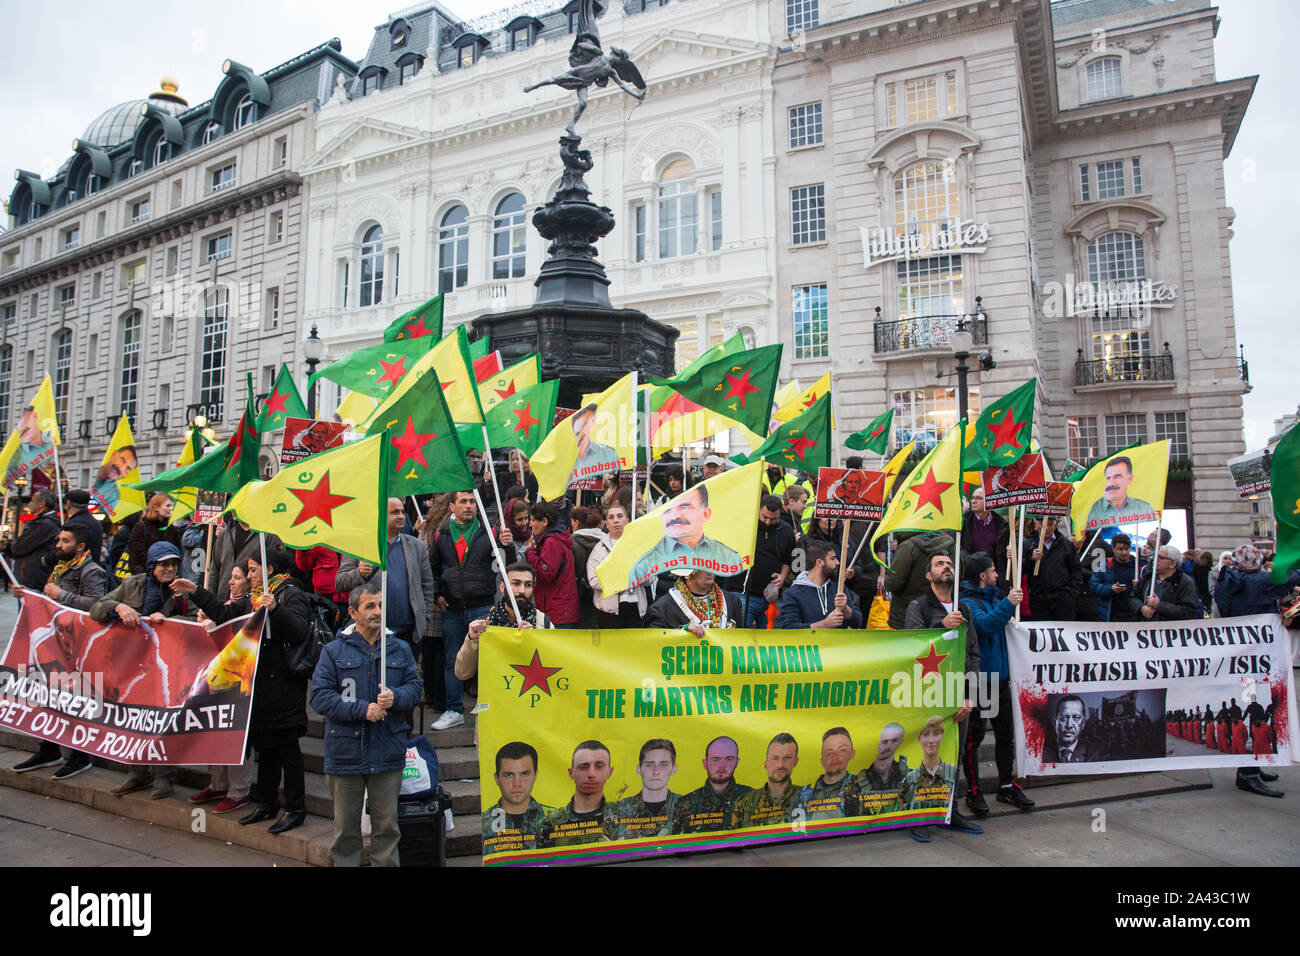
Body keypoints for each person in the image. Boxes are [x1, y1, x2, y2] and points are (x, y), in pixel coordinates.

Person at [186, 548, 313, 833]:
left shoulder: (291, 594)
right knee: (266, 749)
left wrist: (275, 610)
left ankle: (295, 807)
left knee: (287, 751)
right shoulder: (251, 600)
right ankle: (266, 802)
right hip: (258, 687)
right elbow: (223, 613)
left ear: (268, 571)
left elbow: (299, 633)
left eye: (253, 569)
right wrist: (194, 591)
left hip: (284, 687)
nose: (249, 574)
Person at [310, 581, 422, 865]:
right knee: (345, 830)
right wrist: (363, 710)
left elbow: (415, 689)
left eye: (381, 605)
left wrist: (395, 697)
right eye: (370, 606)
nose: (378, 611)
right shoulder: (334, 651)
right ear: (352, 611)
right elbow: (320, 697)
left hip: (388, 750)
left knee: (387, 828)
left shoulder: (400, 649)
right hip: (345, 752)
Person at [90, 542, 197, 798]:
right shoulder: (132, 584)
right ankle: (138, 775)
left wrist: (171, 622)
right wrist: (119, 607)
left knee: (163, 722)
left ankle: (164, 778)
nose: (170, 569)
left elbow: (200, 619)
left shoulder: (183, 589)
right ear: (152, 565)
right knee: (133, 720)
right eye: (164, 564)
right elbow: (96, 609)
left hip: (166, 669)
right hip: (132, 667)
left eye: (173, 563)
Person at [11, 523, 109, 778]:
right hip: (56, 645)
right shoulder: (61, 567)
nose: (58, 545)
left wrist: (61, 594)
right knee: (50, 698)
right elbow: (49, 601)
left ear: (81, 546)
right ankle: (49, 748)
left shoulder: (91, 571)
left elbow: (96, 606)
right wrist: (27, 594)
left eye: (64, 541)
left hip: (78, 648)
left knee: (76, 701)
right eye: (59, 540)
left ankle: (79, 756)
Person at [900, 551, 981, 839]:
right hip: (926, 694)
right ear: (928, 575)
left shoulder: (965, 609)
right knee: (923, 754)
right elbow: (912, 647)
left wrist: (969, 695)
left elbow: (973, 654)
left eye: (949, 563)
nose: (946, 567)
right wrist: (941, 627)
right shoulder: (918, 607)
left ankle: (950, 810)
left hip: (957, 693)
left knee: (953, 755)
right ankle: (917, 815)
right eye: (939, 564)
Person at [1214, 544, 1300, 797]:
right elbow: (1295, 576)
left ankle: (1252, 765)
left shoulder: (1227, 580)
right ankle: (1248, 773)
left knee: (1250, 709)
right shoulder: (1260, 582)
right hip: (1259, 658)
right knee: (1258, 711)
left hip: (1241, 657)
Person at [957, 552, 1033, 814]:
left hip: (1000, 679)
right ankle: (974, 791)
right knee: (974, 738)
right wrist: (1007, 605)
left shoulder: (994, 599)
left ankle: (1006, 785)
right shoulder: (967, 603)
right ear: (982, 575)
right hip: (980, 681)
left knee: (1005, 736)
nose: (997, 575)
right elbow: (984, 626)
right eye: (993, 571)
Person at [188, 560, 255, 814]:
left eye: (238, 577)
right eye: (233, 577)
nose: (231, 581)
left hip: (237, 682)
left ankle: (239, 790)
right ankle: (217, 783)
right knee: (213, 731)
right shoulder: (225, 605)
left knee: (233, 735)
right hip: (213, 680)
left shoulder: (249, 606)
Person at [428, 489, 498, 731]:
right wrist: (437, 594)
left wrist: (507, 546)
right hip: (453, 609)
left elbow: (503, 564)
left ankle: (487, 709)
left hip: (482, 606)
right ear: (452, 507)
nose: (469, 506)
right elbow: (433, 568)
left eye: (472, 501)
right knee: (452, 661)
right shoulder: (442, 535)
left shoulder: (489, 532)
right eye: (464, 501)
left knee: (487, 661)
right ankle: (453, 710)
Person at [336, 498, 435, 651]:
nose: (401, 516)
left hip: (408, 634)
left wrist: (424, 619)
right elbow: (340, 582)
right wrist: (359, 573)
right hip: (370, 632)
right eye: (395, 512)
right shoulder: (361, 545)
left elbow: (427, 586)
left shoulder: (416, 546)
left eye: (403, 512)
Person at [628, 486, 742, 585]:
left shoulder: (730, 557)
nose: (676, 516)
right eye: (668, 510)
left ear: (706, 514)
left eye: (685, 508)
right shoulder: (644, 563)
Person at [722, 495, 795, 629]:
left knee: (771, 643)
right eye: (764, 517)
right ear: (758, 510)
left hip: (771, 597)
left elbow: (787, 559)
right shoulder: (746, 526)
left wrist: (783, 577)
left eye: (773, 519)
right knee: (742, 640)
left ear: (780, 513)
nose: (767, 522)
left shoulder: (787, 531)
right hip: (742, 594)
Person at [536, 741, 618, 847]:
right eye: (584, 767)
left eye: (599, 766)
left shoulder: (624, 818)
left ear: (610, 772)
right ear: (571, 773)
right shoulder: (549, 825)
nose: (591, 774)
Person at [482, 742, 554, 855]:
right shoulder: (482, 823)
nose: (517, 783)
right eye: (509, 775)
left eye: (524, 774)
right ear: (496, 778)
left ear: (535, 775)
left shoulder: (556, 819)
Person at [671, 736, 752, 833]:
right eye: (715, 759)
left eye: (729, 759)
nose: (722, 765)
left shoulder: (753, 799)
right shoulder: (684, 803)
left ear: (737, 762)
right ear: (705, 763)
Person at [586, 503, 648, 627]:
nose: (616, 520)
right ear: (606, 523)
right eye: (611, 517)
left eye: (620, 516)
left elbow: (650, 578)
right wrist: (625, 577)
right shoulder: (599, 549)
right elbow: (594, 581)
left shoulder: (639, 546)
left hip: (636, 609)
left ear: (627, 520)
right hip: (609, 612)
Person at [776, 539, 862, 629]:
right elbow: (789, 627)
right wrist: (824, 624)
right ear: (819, 562)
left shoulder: (839, 588)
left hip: (838, 643)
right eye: (833, 559)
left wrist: (846, 609)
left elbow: (858, 622)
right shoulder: (792, 593)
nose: (837, 563)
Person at [884, 530, 956, 630]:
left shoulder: (907, 547)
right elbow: (959, 577)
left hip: (906, 616)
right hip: (944, 613)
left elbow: (893, 583)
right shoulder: (951, 545)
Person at [903, 717, 962, 838]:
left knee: (958, 751)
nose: (931, 740)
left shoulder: (950, 772)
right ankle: (916, 817)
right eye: (926, 735)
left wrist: (969, 698)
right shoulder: (911, 777)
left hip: (954, 704)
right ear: (919, 739)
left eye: (936, 734)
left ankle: (950, 812)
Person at [524, 500, 579, 627]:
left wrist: (530, 552)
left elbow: (546, 573)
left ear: (544, 521)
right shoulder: (554, 539)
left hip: (557, 612)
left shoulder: (552, 542)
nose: (530, 524)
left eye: (533, 520)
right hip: (560, 609)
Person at [612, 739, 681, 839]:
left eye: (664, 764)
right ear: (638, 769)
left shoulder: (687, 806)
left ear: (674, 769)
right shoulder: (618, 810)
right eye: (649, 765)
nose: (656, 771)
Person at [733, 733, 803, 828]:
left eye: (787, 758)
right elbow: (734, 840)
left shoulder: (807, 799)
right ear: (766, 764)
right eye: (775, 758)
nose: (780, 765)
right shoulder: (745, 803)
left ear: (796, 761)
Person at [206, 515, 279, 603]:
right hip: (222, 602)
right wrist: (209, 601)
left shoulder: (267, 536)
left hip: (251, 604)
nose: (234, 511)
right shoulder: (225, 534)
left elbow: (275, 572)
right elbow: (214, 570)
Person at [645, 568, 744, 633]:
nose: (709, 572)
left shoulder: (732, 601)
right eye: (701, 568)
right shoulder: (663, 608)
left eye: (711, 565)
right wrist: (682, 631)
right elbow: (654, 644)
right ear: (688, 575)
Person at [1024, 516, 1081, 620]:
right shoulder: (1028, 545)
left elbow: (1076, 570)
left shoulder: (1066, 545)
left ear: (1055, 525)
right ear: (1036, 524)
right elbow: (1021, 570)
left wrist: (1071, 593)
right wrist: (1031, 559)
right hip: (1039, 601)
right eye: (1042, 524)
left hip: (1062, 601)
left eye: (1050, 524)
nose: (1046, 528)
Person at [799, 727, 861, 820]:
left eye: (842, 750)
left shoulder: (862, 789)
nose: (835, 757)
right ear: (821, 760)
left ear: (852, 754)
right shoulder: (804, 796)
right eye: (829, 753)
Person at [1132, 544, 1201, 622]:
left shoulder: (1185, 582)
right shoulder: (1148, 578)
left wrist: (1159, 605)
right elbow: (1133, 597)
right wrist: (1141, 608)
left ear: (1172, 564)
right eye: (1156, 557)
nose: (1155, 560)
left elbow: (1188, 611)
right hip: (1146, 630)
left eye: (1160, 558)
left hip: (1171, 631)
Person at [853, 723, 911, 816]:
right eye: (884, 742)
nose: (888, 746)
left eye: (894, 741)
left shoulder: (910, 777)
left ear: (901, 742)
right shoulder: (855, 782)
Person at [6, 491, 61, 589]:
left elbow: (19, 548)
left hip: (33, 578)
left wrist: (11, 544)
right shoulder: (44, 522)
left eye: (32, 500)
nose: (29, 504)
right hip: (33, 576)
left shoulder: (44, 524)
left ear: (42, 504)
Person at [1084, 455, 1156, 527]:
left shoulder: (1144, 509)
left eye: (1117, 477)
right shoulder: (1093, 509)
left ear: (1130, 478)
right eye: (1108, 478)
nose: (1111, 483)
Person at [1089, 532, 1142, 622]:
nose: (1124, 552)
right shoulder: (1104, 564)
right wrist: (1110, 589)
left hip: (1133, 615)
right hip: (1111, 615)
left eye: (1126, 549)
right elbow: (1093, 585)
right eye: (1120, 549)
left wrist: (1139, 586)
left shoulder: (1139, 566)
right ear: (1113, 549)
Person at [127, 494, 181, 574]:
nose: (171, 508)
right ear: (156, 507)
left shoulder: (171, 528)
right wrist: (155, 567)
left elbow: (177, 550)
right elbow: (136, 553)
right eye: (168, 505)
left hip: (167, 575)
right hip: (145, 575)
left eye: (172, 506)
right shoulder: (141, 527)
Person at [568, 405, 620, 481]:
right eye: (577, 433)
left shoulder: (607, 452)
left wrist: (607, 475)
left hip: (597, 489)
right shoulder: (568, 455)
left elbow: (613, 475)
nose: (581, 436)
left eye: (583, 429)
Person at [1042, 695, 1098, 763]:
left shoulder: (1093, 755)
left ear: (1083, 723)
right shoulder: (1040, 752)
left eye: (1076, 718)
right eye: (1064, 717)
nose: (1069, 725)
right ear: (1055, 722)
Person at [961, 487, 1010, 564]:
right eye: (973, 498)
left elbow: (1003, 553)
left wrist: (1010, 552)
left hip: (993, 573)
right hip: (970, 572)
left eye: (978, 498)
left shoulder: (1002, 525)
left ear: (989, 501)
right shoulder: (963, 521)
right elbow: (958, 547)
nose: (973, 501)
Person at [62, 490, 103, 566]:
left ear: (68, 503)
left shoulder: (74, 524)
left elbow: (67, 549)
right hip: (92, 567)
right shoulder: (96, 523)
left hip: (76, 567)